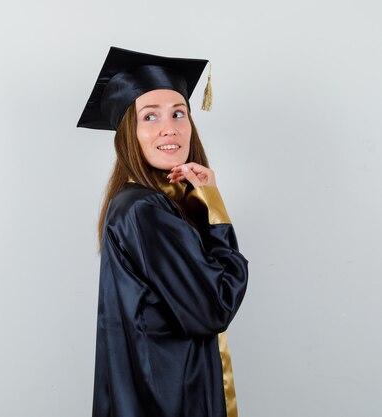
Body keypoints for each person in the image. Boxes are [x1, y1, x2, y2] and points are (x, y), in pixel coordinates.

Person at [77, 46, 249, 417]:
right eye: (150, 117)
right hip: (170, 400)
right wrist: (215, 209)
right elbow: (214, 307)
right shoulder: (146, 211)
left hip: (152, 393)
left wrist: (198, 204)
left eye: (178, 113)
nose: (169, 128)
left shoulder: (136, 203)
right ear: (129, 132)